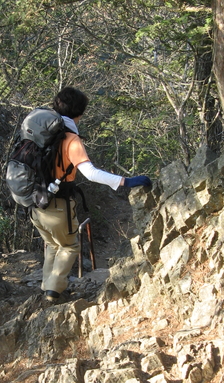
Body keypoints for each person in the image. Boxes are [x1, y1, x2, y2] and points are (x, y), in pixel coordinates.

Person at [30, 86, 152, 303]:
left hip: (35, 202)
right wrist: (126, 182)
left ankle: (47, 287)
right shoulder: (70, 139)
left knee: (53, 245)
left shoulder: (39, 134)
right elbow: (91, 173)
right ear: (79, 113)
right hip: (58, 205)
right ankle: (53, 293)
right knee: (69, 246)